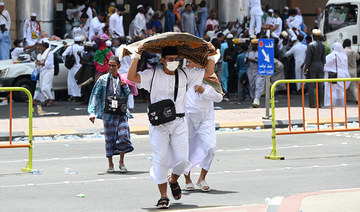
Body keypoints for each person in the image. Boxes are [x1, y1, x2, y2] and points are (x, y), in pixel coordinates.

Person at [127, 44, 215, 209]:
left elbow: (208, 73)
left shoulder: (184, 74)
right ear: (162, 60)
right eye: (170, 59)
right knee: (160, 159)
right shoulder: (152, 74)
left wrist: (211, 55)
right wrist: (136, 56)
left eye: (176, 59)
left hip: (179, 123)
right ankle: (163, 196)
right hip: (158, 125)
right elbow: (132, 77)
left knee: (183, 159)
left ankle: (173, 179)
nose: (173, 62)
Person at [88, 55, 133, 173]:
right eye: (110, 65)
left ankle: (121, 162)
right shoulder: (102, 80)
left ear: (119, 66)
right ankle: (110, 163)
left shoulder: (122, 79)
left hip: (121, 113)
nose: (111, 68)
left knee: (123, 135)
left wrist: (125, 85)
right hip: (108, 114)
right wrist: (92, 112)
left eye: (114, 66)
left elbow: (128, 94)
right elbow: (95, 96)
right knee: (110, 139)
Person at [183, 59, 223, 192]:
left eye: (190, 62)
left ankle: (201, 178)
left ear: (200, 63)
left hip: (206, 119)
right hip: (187, 117)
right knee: (184, 149)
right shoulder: (184, 75)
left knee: (211, 147)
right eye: (187, 62)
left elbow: (219, 97)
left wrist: (203, 91)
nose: (188, 65)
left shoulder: (210, 77)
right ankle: (187, 179)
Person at [304, 29, 326, 108]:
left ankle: (312, 103)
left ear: (313, 36)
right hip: (320, 65)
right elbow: (324, 59)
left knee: (311, 84)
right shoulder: (323, 45)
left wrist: (305, 68)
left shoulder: (311, 45)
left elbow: (308, 59)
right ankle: (319, 103)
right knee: (320, 84)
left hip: (312, 65)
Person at [62, 37, 84, 101]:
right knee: (79, 82)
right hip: (80, 66)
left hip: (72, 67)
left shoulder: (70, 47)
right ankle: (79, 95)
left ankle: (73, 95)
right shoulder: (82, 48)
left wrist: (65, 61)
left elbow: (63, 55)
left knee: (72, 81)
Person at [246, 39, 264, 108]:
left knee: (258, 85)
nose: (252, 46)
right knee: (252, 86)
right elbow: (245, 62)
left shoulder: (261, 52)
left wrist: (254, 61)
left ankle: (257, 100)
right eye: (252, 44)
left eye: (254, 44)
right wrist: (247, 60)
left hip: (259, 71)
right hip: (250, 71)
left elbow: (263, 62)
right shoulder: (249, 52)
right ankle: (254, 100)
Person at [35, 42, 55, 107]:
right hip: (43, 71)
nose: (41, 48)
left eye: (41, 47)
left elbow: (48, 64)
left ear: (44, 47)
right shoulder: (44, 53)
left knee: (45, 86)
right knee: (41, 86)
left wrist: (39, 63)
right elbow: (39, 59)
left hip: (49, 70)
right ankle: (47, 99)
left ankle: (50, 99)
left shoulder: (50, 53)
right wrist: (37, 51)